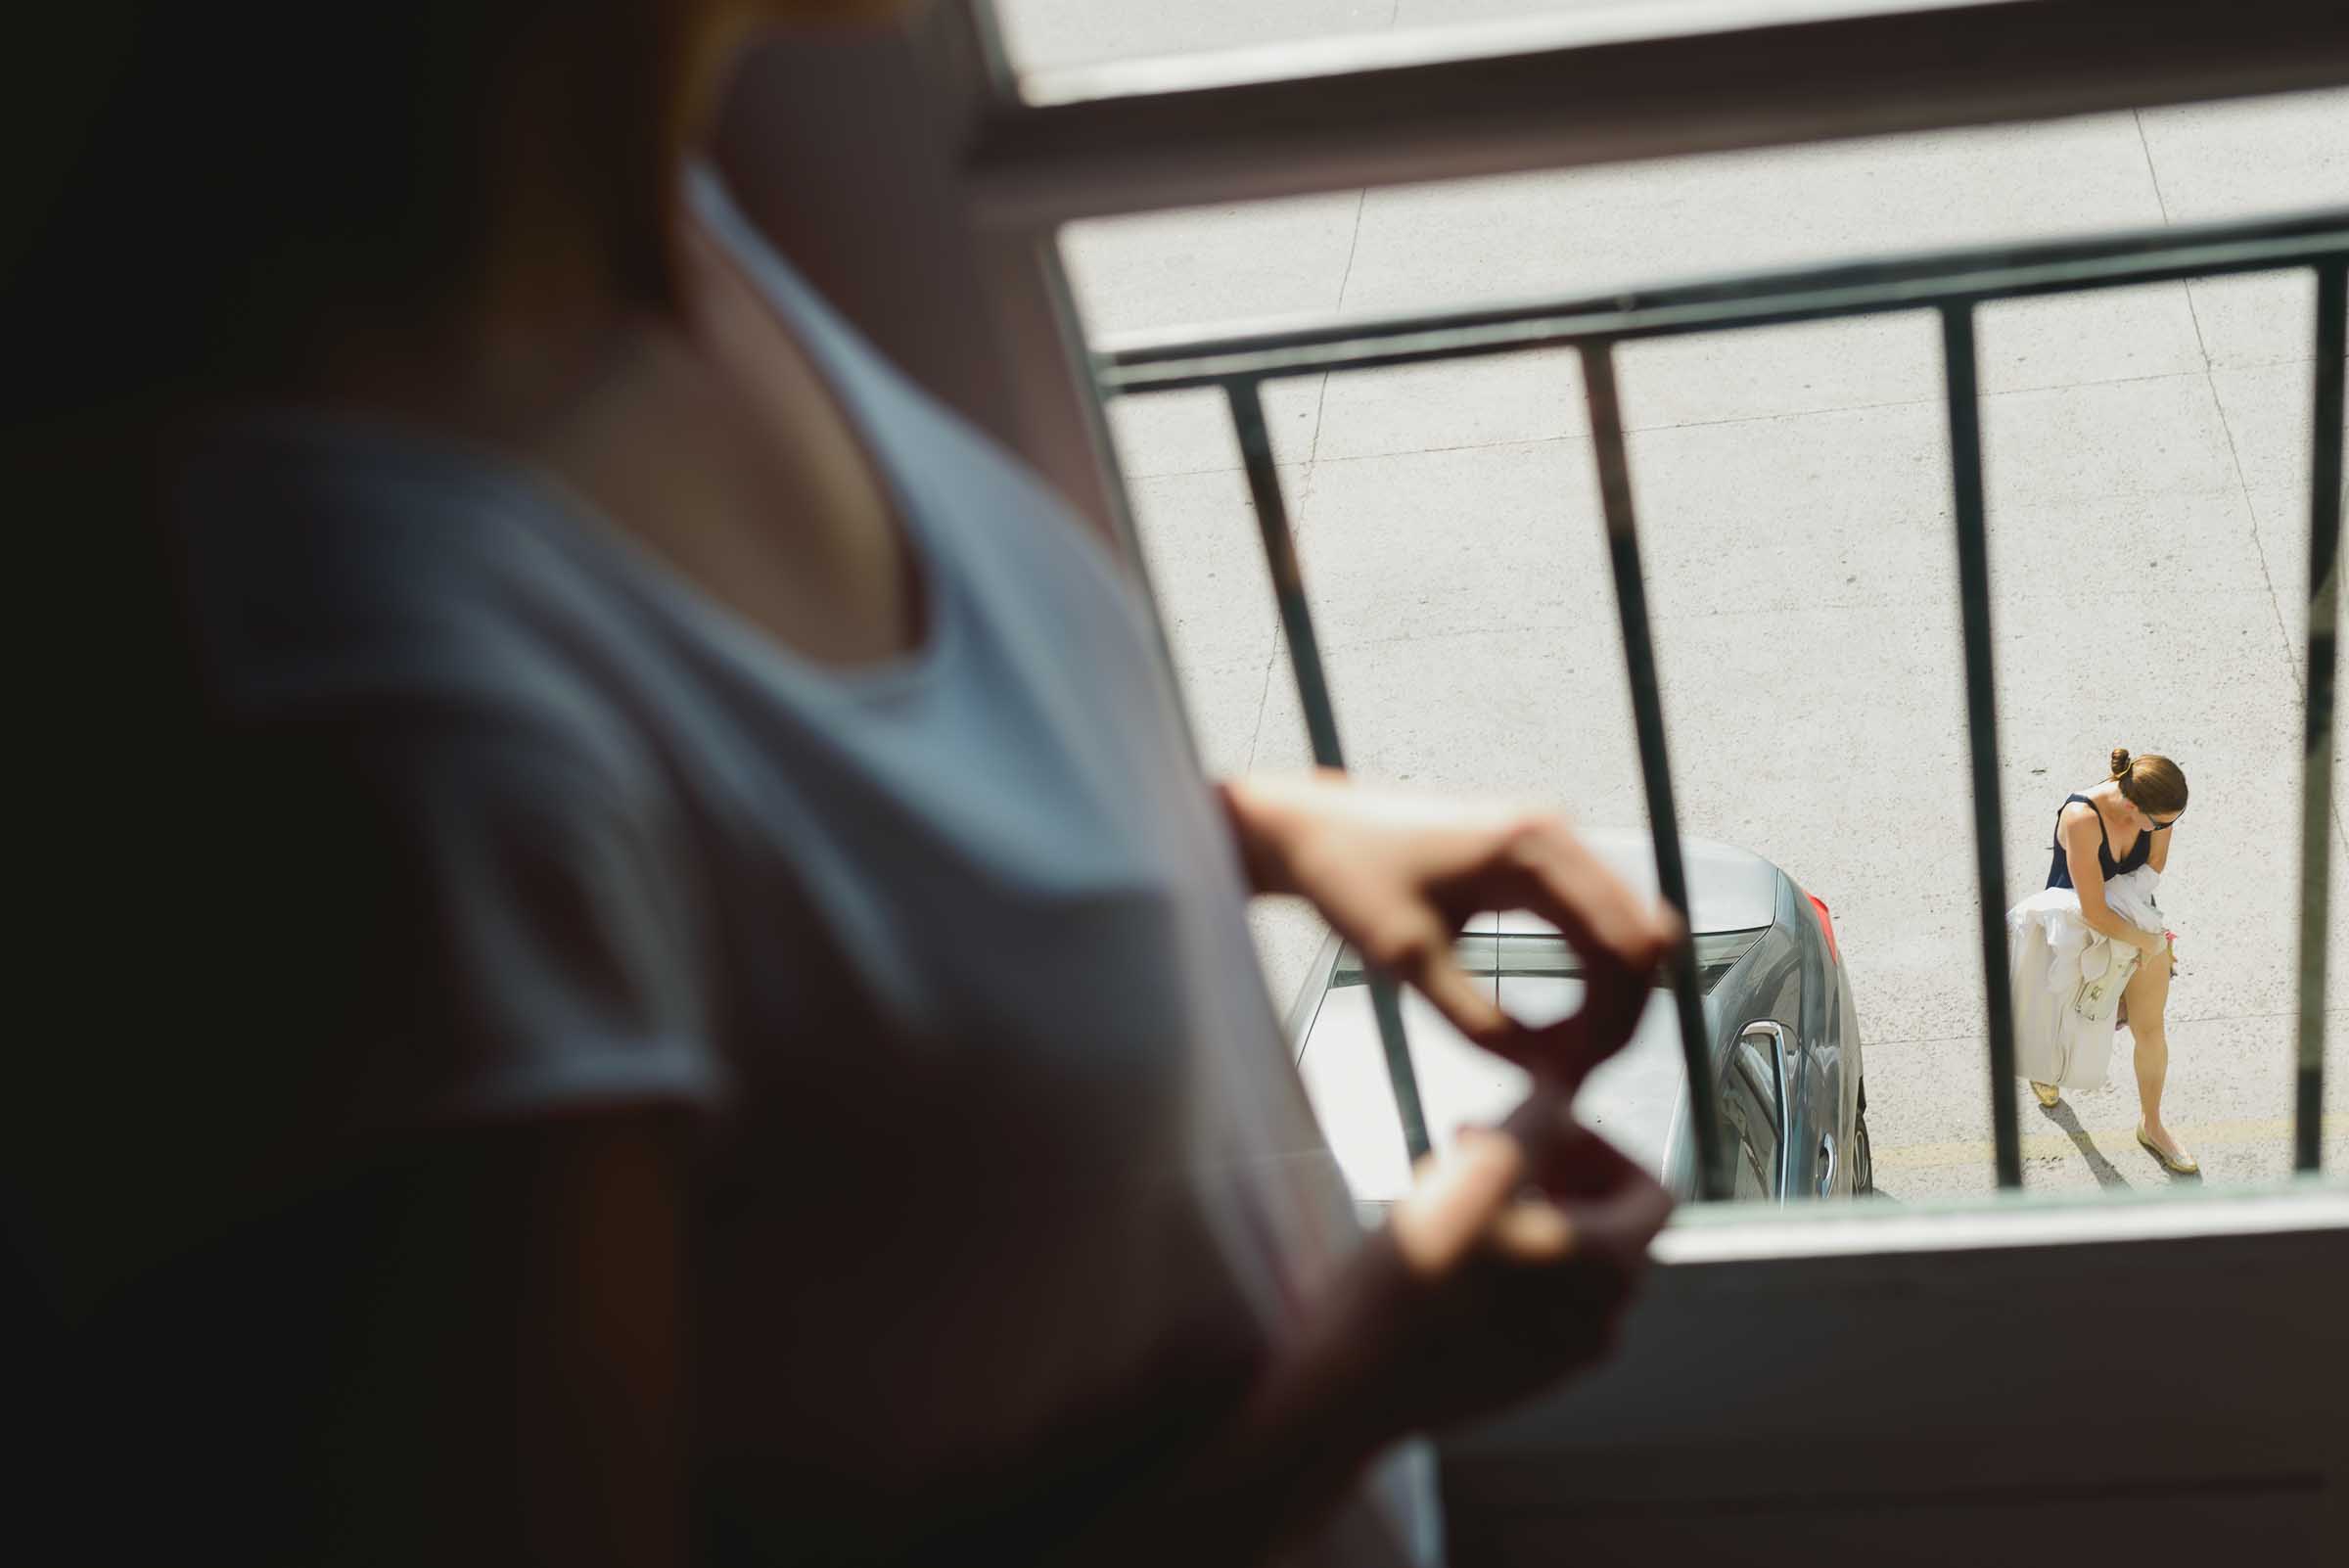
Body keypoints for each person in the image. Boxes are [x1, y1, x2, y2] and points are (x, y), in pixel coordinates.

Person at [9, 5, 1681, 1564]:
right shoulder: (350, 704)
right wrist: (1370, 1372)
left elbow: (794, 913)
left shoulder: (654, 227)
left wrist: (1267, 828)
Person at [2028, 748, 2191, 1173]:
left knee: (2150, 1027)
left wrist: (2148, 940)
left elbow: (2153, 866)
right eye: (2160, 822)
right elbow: (2094, 910)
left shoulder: (2158, 810)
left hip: (2137, 919)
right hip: (2076, 930)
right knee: (2065, 1018)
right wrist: (2145, 941)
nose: (2165, 829)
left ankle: (2152, 1124)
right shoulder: (2081, 818)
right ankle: (2045, 1069)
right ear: (2134, 805)